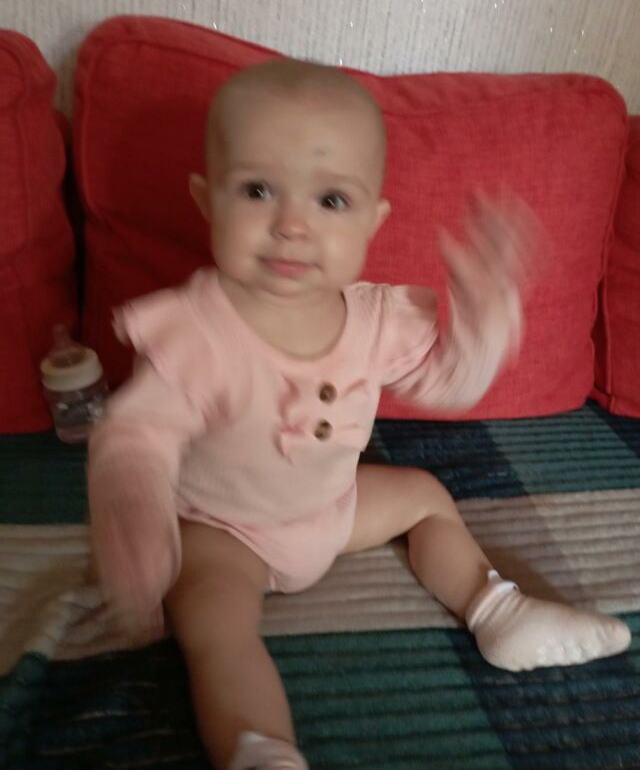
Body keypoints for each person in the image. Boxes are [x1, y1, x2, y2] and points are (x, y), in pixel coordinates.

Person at [88, 58, 631, 770]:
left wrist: (481, 321)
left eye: (331, 200)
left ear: (374, 220)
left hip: (333, 510)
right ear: (206, 200)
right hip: (224, 530)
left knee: (426, 496)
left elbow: (448, 384)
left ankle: (497, 609)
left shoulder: (377, 318)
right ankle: (263, 749)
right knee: (214, 626)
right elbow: (137, 432)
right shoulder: (195, 330)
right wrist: (133, 502)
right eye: (257, 190)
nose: (291, 225)